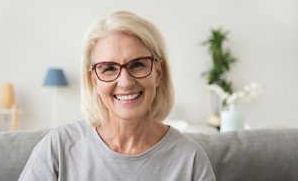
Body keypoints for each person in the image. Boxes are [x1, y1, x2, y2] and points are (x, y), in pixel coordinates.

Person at [19, 11, 216, 181]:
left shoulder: (190, 159)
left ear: (158, 73)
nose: (125, 82)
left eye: (137, 64)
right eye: (109, 68)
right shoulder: (58, 147)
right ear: (94, 80)